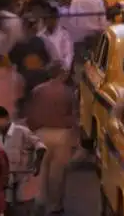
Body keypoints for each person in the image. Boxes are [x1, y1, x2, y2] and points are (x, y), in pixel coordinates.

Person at [26, 63, 75, 215]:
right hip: (62, 135)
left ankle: (40, 202)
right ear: (61, 74)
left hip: (41, 133)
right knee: (57, 173)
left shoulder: (38, 91)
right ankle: (55, 205)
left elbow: (32, 112)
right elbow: (73, 115)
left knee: (41, 170)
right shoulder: (68, 92)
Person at [0, 106, 47, 215]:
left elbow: (40, 147)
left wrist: (37, 164)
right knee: (7, 206)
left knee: (23, 206)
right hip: (7, 178)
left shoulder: (22, 131)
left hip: (23, 177)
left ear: (6, 118)